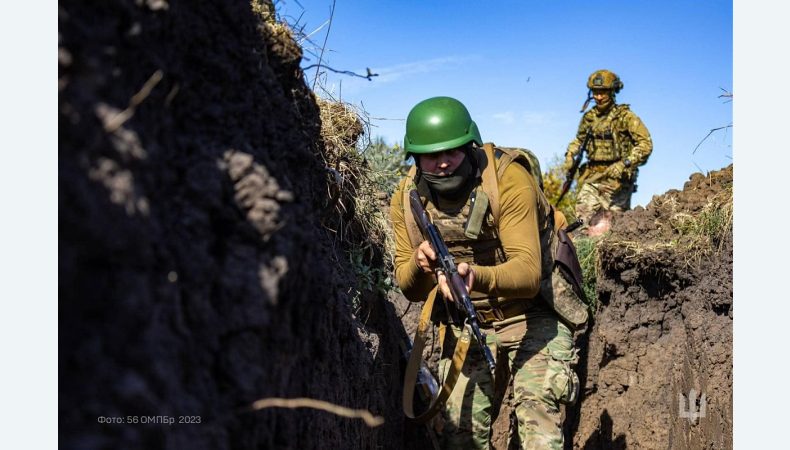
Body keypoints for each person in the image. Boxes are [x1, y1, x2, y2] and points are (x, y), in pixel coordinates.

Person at [390, 96, 580, 449]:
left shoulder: (508, 180)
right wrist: (421, 266)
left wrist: (474, 276)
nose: (444, 163)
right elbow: (409, 289)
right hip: (468, 325)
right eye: (432, 156)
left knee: (538, 429)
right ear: (415, 158)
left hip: (535, 315)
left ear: (470, 145)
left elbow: (527, 272)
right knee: (460, 440)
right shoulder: (407, 197)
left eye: (453, 152)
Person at [563, 69, 653, 228]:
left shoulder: (626, 117)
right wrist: (570, 155)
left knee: (614, 226)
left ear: (613, 92)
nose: (598, 97)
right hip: (592, 177)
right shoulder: (589, 118)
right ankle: (583, 251)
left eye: (602, 92)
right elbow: (579, 140)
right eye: (595, 92)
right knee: (582, 221)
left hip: (617, 182)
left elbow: (645, 145)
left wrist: (624, 163)